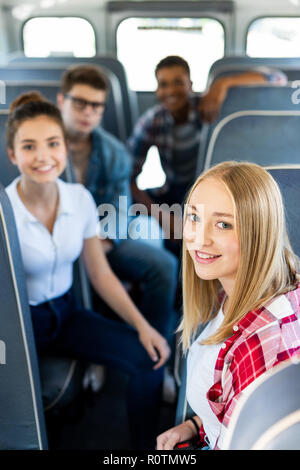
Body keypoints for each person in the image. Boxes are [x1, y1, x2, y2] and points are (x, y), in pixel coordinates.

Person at [5, 92, 171, 450]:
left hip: (66, 314)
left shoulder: (79, 197)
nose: (44, 156)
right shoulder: (5, 214)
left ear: (65, 148)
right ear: (13, 154)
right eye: (29, 146)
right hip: (21, 327)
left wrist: (143, 327)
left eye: (52, 143)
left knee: (150, 358)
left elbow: (100, 273)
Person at [156, 161, 300, 450]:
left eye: (223, 224)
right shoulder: (244, 283)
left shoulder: (263, 345)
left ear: (258, 233)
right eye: (194, 217)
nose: (199, 237)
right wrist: (196, 424)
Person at [56, 64, 178, 349]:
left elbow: (119, 208)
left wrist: (101, 241)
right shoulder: (43, 146)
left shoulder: (113, 153)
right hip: (51, 238)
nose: (89, 112)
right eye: (81, 103)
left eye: (97, 106)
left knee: (164, 266)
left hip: (99, 240)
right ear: (62, 101)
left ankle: (152, 344)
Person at [128, 56, 287, 210]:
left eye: (178, 83)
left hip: (215, 191)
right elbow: (127, 176)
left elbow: (278, 78)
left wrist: (223, 83)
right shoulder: (151, 121)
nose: (170, 91)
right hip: (174, 193)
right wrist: (161, 217)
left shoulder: (209, 106)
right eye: (163, 84)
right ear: (157, 90)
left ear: (190, 85)